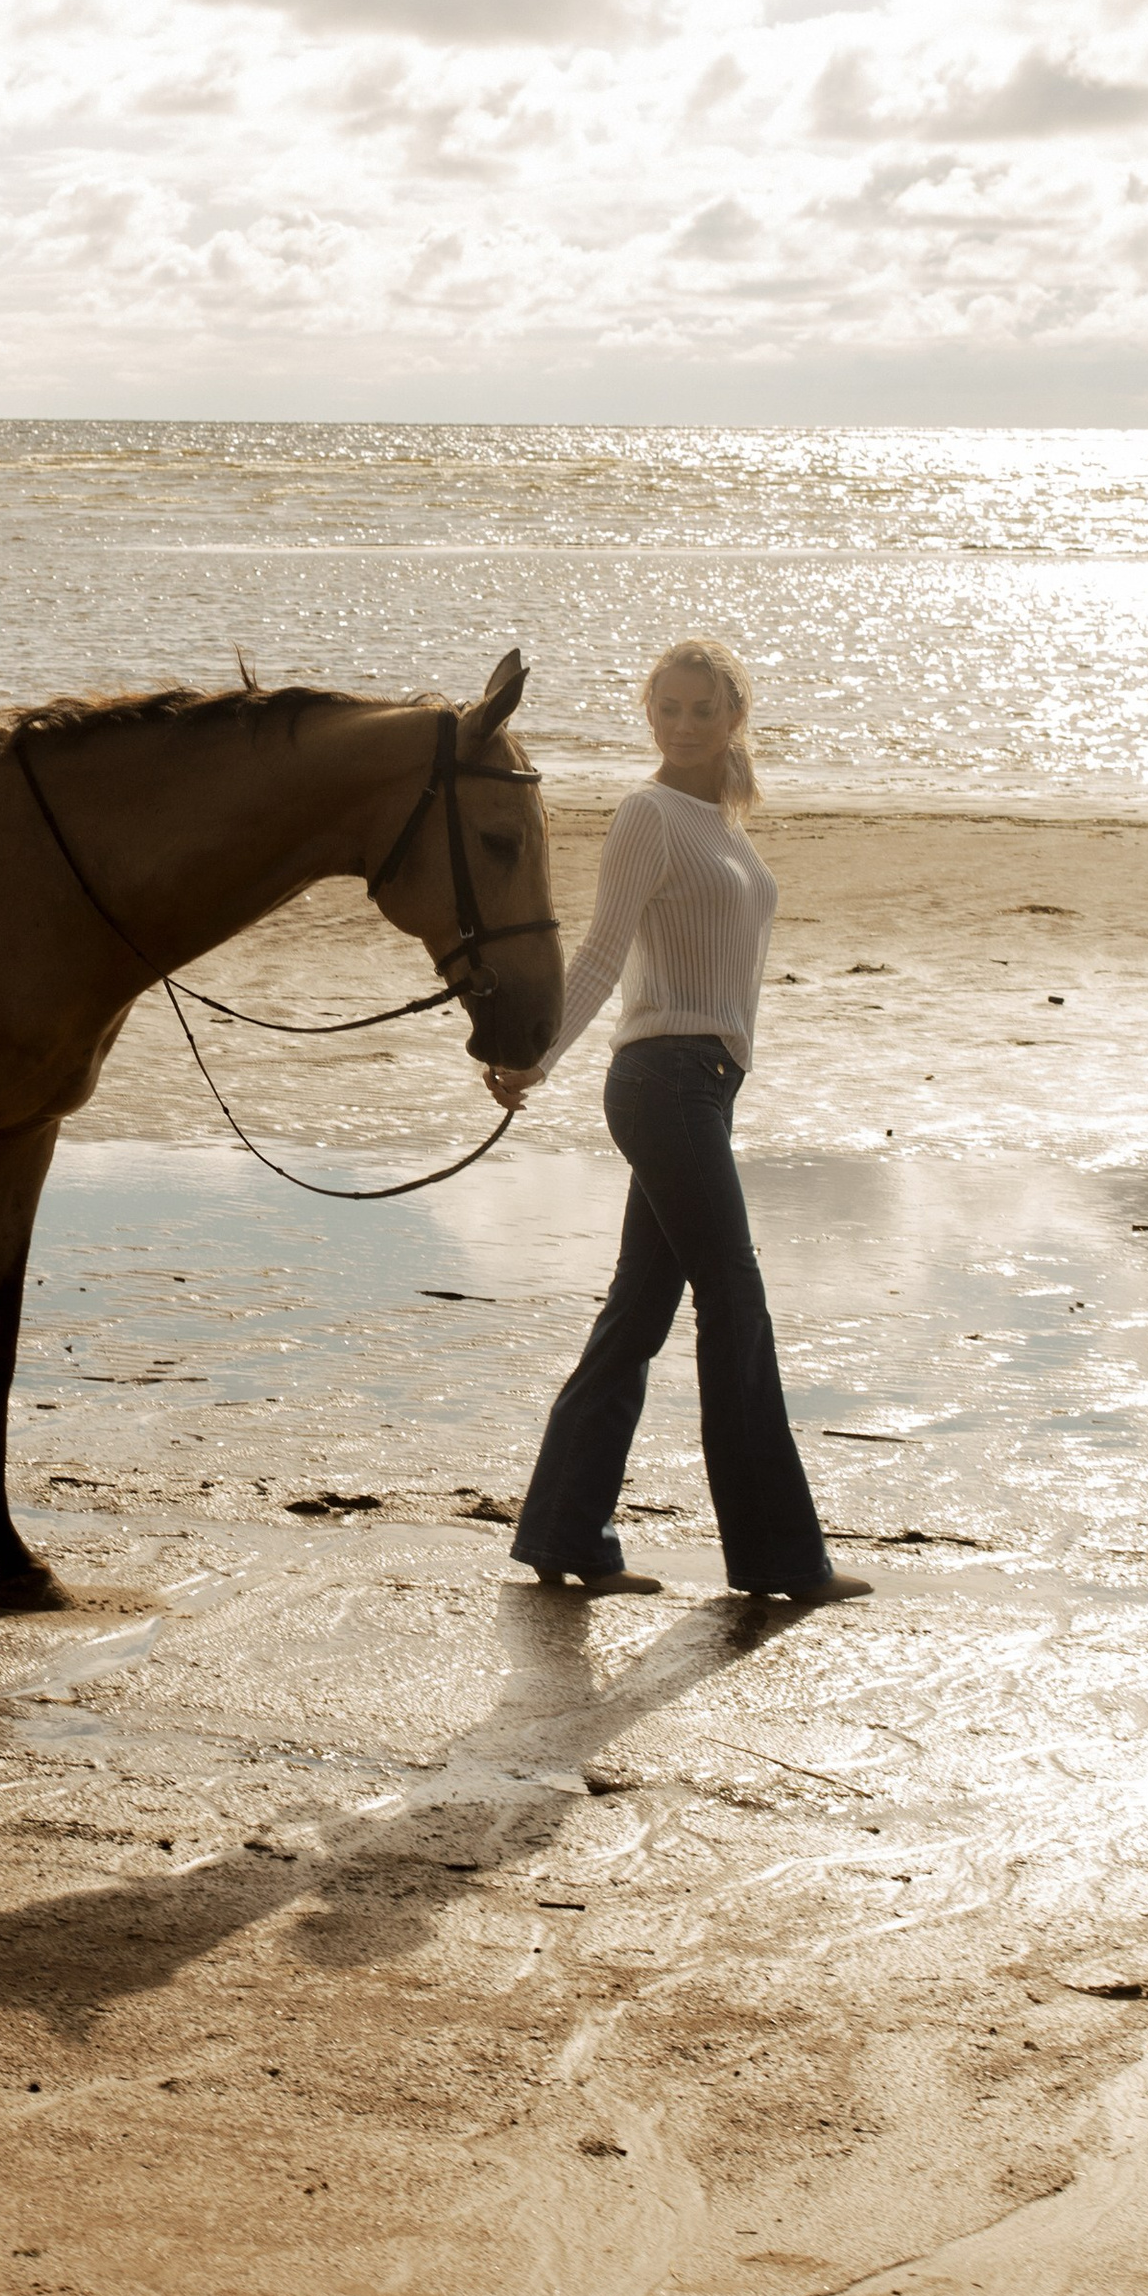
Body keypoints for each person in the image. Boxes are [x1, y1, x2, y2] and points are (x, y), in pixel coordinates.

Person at [486, 639, 866, 1606]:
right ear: (649, 714)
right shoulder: (649, 813)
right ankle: (780, 1559)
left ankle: (564, 1533)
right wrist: (537, 1055)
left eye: (702, 709)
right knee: (733, 1299)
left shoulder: (721, 820)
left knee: (639, 1313)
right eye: (669, 709)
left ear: (734, 715)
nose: (684, 725)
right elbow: (602, 951)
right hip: (664, 1082)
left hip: (705, 1087)